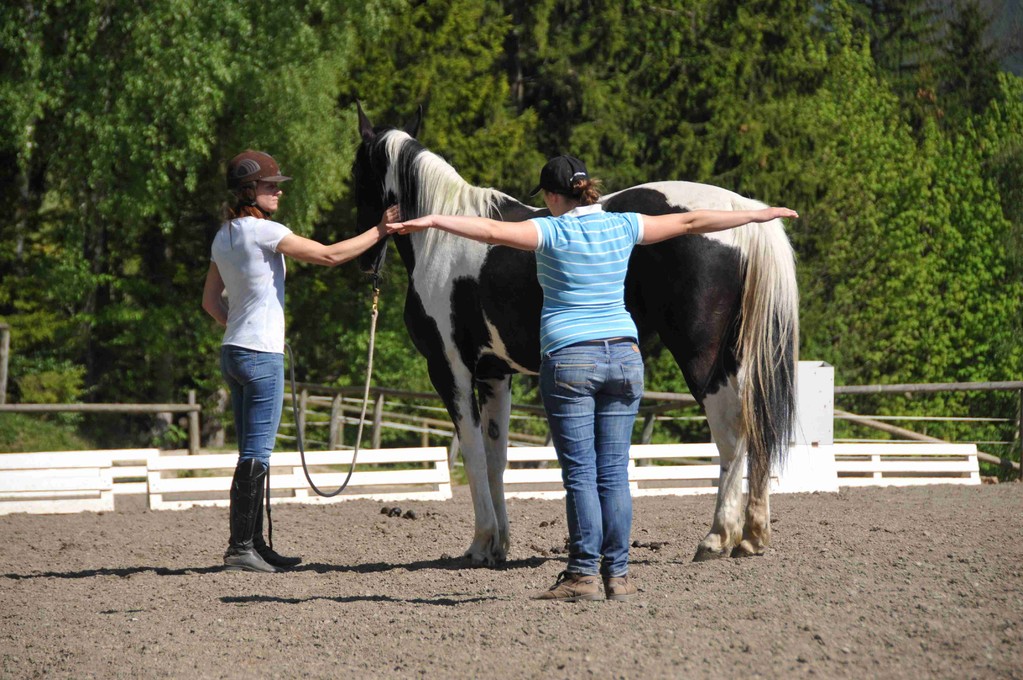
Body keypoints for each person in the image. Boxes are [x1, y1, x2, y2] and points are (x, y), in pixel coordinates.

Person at [387, 155, 798, 600]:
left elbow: (488, 230)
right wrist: (758, 214)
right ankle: (617, 575)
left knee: (581, 474)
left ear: (550, 196)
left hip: (570, 360)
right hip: (624, 360)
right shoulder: (623, 226)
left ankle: (584, 573)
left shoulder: (550, 230)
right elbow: (691, 222)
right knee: (613, 474)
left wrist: (428, 219)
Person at [202, 150, 398, 573]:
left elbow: (208, 301)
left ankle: (253, 543)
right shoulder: (265, 231)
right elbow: (328, 256)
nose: (278, 192)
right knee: (258, 451)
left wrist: (239, 326)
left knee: (249, 452)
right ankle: (241, 548)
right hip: (260, 355)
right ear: (249, 190)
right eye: (270, 185)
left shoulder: (224, 235)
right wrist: (379, 231)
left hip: (233, 352)